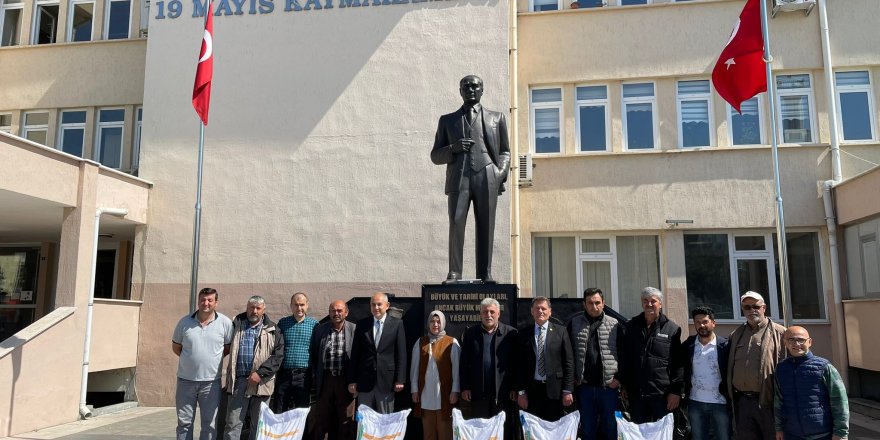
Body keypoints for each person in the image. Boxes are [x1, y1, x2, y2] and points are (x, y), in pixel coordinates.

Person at [431, 74, 511, 284]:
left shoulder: (497, 118)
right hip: (459, 178)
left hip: (487, 175)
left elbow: (505, 151)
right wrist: (453, 148)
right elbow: (435, 155)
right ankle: (454, 272)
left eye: (475, 86)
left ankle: (485, 273)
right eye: (466, 86)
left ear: (482, 90)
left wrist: (500, 172)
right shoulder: (447, 120)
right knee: (456, 224)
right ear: (460, 91)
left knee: (486, 224)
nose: (471, 89)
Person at [172, 287, 233, 440]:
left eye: (210, 300)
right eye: (203, 300)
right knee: (184, 423)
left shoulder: (225, 323)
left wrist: (210, 359)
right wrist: (192, 359)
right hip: (186, 381)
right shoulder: (184, 322)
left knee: (209, 423)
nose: (206, 303)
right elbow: (176, 347)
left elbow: (227, 348)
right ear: (198, 301)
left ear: (216, 303)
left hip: (211, 383)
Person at [619, 287, 684, 424]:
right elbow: (625, 358)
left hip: (662, 395)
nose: (649, 304)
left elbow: (678, 364)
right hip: (636, 394)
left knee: (663, 434)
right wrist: (624, 384)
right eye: (645, 301)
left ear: (660, 303)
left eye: (653, 301)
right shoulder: (631, 326)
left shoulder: (672, 329)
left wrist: (676, 392)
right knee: (639, 434)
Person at [223, 295, 285, 440]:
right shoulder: (236, 325)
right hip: (238, 381)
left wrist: (260, 373)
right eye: (251, 308)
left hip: (262, 382)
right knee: (233, 423)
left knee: (259, 424)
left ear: (264, 310)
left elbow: (278, 356)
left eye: (258, 308)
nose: (254, 311)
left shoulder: (274, 329)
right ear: (247, 308)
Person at [727, 291, 786, 440]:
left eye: (755, 306)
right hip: (743, 402)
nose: (751, 310)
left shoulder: (781, 333)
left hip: (768, 402)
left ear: (764, 307)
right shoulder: (736, 334)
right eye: (747, 307)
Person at [774, 326, 848, 440]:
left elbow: (839, 400)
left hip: (821, 434)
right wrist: (778, 428)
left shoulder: (824, 367)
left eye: (801, 340)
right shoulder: (781, 368)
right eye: (791, 340)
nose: (796, 343)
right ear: (785, 343)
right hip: (792, 434)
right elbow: (778, 401)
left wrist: (841, 433)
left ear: (810, 342)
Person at [459, 298, 518, 440]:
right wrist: (465, 387)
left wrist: (515, 388)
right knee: (482, 432)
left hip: (503, 394)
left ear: (498, 313)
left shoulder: (511, 334)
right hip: (479, 394)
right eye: (485, 312)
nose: (488, 315)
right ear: (480, 314)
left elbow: (516, 365)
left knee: (503, 432)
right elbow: (464, 363)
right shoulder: (471, 334)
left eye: (492, 312)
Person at [567, 287, 621, 440]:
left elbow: (624, 353)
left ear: (603, 303)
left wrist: (618, 378)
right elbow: (568, 355)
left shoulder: (614, 324)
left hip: (608, 388)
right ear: (584, 304)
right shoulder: (574, 324)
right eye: (590, 303)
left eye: (597, 302)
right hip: (584, 388)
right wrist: (573, 380)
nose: (594, 306)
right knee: (587, 430)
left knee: (610, 429)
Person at [515, 296, 573, 422]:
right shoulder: (523, 334)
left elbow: (568, 363)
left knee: (553, 429)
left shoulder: (561, 331)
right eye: (537, 308)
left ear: (550, 311)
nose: (540, 311)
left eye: (543, 308)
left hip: (555, 392)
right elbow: (519, 366)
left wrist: (567, 390)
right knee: (534, 430)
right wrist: (521, 392)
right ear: (532, 311)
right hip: (532, 391)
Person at [348, 292, 407, 414]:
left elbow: (401, 354)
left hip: (387, 382)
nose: (376, 308)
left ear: (387, 305)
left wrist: (400, 379)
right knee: (365, 420)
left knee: (385, 420)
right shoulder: (362, 324)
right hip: (365, 382)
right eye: (373, 305)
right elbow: (355, 354)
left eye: (379, 304)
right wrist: (352, 380)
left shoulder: (397, 324)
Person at [410, 310, 461, 440]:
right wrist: (414, 390)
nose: (435, 324)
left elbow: (456, 370)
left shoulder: (452, 342)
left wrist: (455, 391)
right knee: (428, 434)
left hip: (444, 397)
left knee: (446, 434)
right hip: (425, 397)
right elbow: (414, 369)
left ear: (443, 323)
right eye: (432, 321)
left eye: (438, 321)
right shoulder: (420, 342)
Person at [310, 300, 357, 440]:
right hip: (326, 379)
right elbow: (314, 354)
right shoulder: (320, 330)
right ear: (329, 312)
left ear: (346, 312)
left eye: (339, 310)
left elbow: (358, 357)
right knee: (322, 418)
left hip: (346, 380)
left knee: (346, 418)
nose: (336, 313)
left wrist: (354, 380)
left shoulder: (354, 329)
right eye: (333, 310)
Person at [683, 306, 731, 440]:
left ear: (713, 323)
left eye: (704, 321)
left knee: (723, 437)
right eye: (697, 322)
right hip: (695, 402)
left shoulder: (725, 345)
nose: (701, 325)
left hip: (720, 402)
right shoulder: (688, 345)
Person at [273, 292, 318, 412]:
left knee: (301, 412)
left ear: (307, 305)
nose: (299, 308)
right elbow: (276, 346)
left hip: (304, 375)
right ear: (291, 306)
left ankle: (301, 432)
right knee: (279, 409)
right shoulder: (283, 323)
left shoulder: (314, 325)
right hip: (284, 375)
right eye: (296, 305)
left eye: (302, 304)